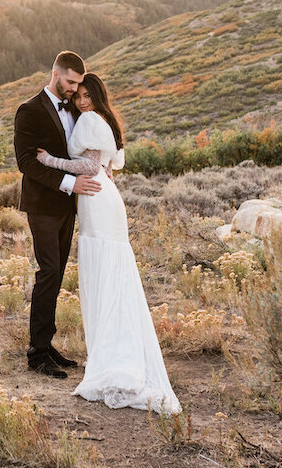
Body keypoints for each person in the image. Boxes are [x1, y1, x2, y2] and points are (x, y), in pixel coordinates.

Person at [36, 72, 181, 414]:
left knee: (103, 272)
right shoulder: (107, 121)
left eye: (87, 95)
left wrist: (48, 161)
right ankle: (115, 350)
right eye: (78, 96)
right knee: (113, 274)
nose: (81, 101)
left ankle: (112, 358)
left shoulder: (88, 119)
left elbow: (88, 165)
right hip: (106, 195)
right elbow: (110, 165)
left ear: (97, 96)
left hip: (96, 197)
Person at [13, 50, 102, 378]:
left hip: (69, 205)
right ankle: (37, 354)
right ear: (55, 73)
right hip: (43, 204)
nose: (73, 89)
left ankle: (47, 345)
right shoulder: (29, 111)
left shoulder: (77, 110)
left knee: (58, 272)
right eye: (70, 82)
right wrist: (69, 182)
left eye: (78, 84)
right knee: (48, 271)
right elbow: (26, 161)